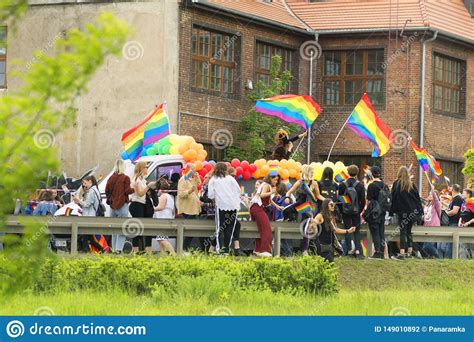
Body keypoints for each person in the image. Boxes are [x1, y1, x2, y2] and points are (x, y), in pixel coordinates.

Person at [284, 165, 325, 255]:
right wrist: (287, 197)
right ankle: (288, 221)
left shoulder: (314, 183)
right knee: (285, 211)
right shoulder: (299, 182)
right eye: (311, 172)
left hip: (309, 207)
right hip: (299, 204)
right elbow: (289, 192)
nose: (313, 174)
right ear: (306, 173)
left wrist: (326, 200)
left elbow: (318, 196)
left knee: (306, 225)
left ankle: (305, 250)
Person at [207, 162, 241, 256]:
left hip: (221, 205)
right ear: (226, 169)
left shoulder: (213, 180)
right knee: (229, 228)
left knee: (220, 228)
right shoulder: (230, 178)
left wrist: (216, 198)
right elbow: (238, 191)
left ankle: (219, 249)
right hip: (233, 206)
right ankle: (226, 249)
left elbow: (210, 195)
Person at [389, 166, 423, 260]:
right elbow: (417, 199)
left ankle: (402, 253)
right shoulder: (411, 184)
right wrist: (420, 211)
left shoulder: (396, 184)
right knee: (409, 232)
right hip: (412, 213)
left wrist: (392, 211)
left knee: (402, 232)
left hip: (402, 212)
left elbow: (393, 198)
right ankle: (410, 252)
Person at [73, 175, 108, 253]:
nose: (84, 185)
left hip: (89, 217)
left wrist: (78, 200)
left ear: (90, 181)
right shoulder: (94, 190)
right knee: (90, 238)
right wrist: (79, 201)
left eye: (85, 183)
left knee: (84, 237)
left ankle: (87, 252)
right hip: (90, 216)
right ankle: (102, 250)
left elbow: (86, 204)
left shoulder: (92, 191)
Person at [105, 159, 134, 252]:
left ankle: (113, 249)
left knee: (114, 228)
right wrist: (133, 189)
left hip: (112, 206)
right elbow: (127, 191)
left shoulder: (111, 178)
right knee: (122, 228)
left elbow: (106, 190)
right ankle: (118, 249)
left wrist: (111, 199)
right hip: (122, 206)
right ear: (123, 167)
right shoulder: (125, 178)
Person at [337, 164, 366, 258]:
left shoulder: (342, 185)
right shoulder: (360, 185)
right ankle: (357, 251)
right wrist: (359, 210)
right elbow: (363, 200)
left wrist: (342, 211)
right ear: (357, 173)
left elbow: (340, 200)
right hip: (356, 211)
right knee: (357, 231)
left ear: (347, 172)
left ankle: (349, 250)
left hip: (345, 211)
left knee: (347, 230)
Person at [129, 161, 157, 253]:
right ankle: (135, 250)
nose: (147, 169)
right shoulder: (136, 179)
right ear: (141, 168)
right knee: (137, 228)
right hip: (136, 205)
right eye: (146, 167)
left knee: (144, 227)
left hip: (142, 205)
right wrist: (148, 186)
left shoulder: (142, 179)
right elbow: (140, 193)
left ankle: (145, 249)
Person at [250, 174, 279, 257]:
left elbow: (269, 200)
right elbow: (262, 195)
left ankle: (257, 250)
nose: (276, 181)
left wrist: (278, 206)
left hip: (255, 208)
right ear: (270, 178)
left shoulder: (266, 185)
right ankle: (264, 250)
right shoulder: (266, 185)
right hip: (258, 208)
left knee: (260, 229)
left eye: (277, 180)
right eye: (275, 180)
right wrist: (272, 192)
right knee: (266, 229)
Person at [364, 166, 388, 260]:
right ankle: (381, 252)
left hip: (374, 212)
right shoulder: (384, 185)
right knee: (381, 232)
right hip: (382, 212)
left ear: (372, 174)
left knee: (375, 232)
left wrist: (366, 211)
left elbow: (368, 200)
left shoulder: (372, 185)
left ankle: (377, 252)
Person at [177, 163, 203, 250]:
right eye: (193, 170)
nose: (194, 172)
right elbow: (180, 194)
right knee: (191, 230)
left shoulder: (190, 179)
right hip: (187, 209)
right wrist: (189, 191)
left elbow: (199, 184)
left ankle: (185, 248)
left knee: (193, 230)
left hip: (193, 209)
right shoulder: (183, 180)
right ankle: (184, 248)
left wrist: (196, 176)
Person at [438, 184, 463, 258]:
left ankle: (448, 260)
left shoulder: (458, 198)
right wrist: (443, 203)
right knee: (443, 246)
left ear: (453, 190)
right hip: (450, 223)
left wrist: (445, 214)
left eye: (450, 189)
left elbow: (454, 211)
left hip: (453, 224)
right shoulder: (454, 199)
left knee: (449, 246)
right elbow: (450, 207)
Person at [153, 180, 176, 255]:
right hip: (168, 218)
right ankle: (163, 255)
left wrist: (152, 208)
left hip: (162, 219)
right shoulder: (170, 197)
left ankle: (173, 253)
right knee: (163, 239)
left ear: (160, 189)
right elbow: (173, 210)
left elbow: (161, 207)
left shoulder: (163, 196)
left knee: (161, 239)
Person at [422, 180, 442, 258]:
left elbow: (436, 200)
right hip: (426, 228)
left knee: (427, 246)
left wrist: (432, 190)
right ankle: (431, 259)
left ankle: (438, 258)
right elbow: (425, 217)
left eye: (431, 194)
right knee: (425, 247)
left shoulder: (437, 205)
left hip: (434, 227)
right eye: (429, 194)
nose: (430, 195)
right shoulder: (427, 205)